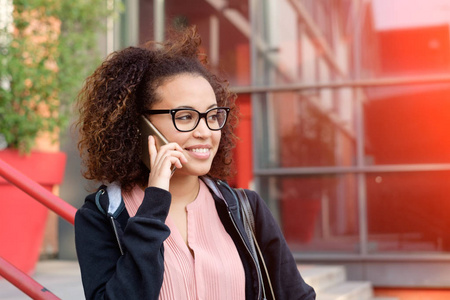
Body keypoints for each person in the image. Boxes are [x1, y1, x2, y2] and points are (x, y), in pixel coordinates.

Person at [74, 26, 316, 300]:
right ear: (139, 125)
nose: (205, 131)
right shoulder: (101, 216)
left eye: (212, 116)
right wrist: (154, 203)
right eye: (186, 116)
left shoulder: (246, 209)